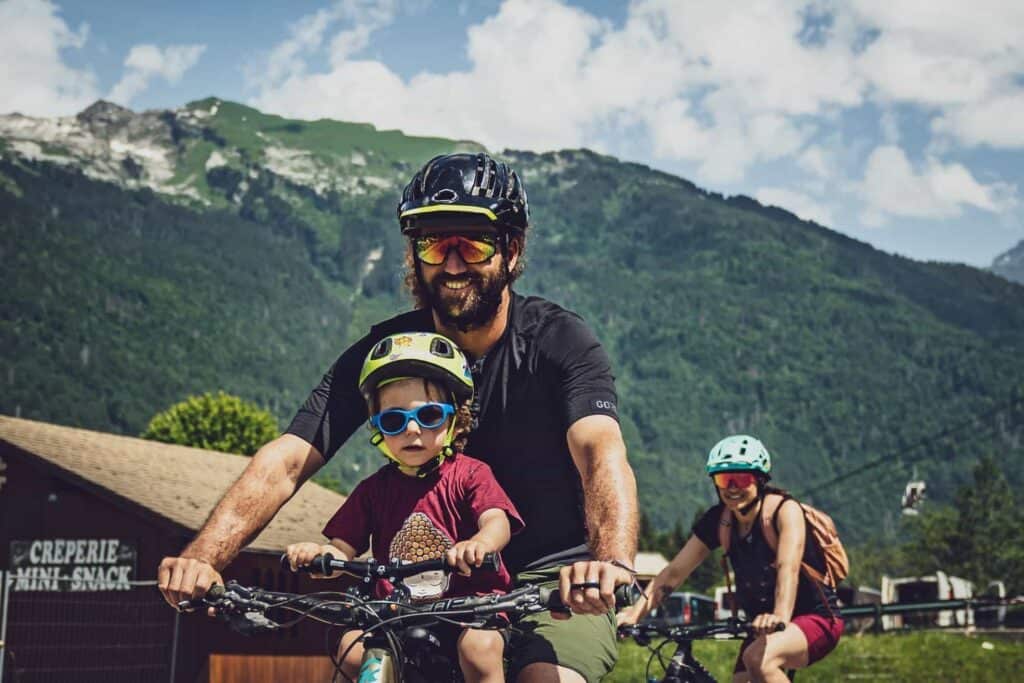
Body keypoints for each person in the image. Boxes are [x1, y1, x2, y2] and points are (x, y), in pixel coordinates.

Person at [158, 152, 639, 683]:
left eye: (472, 244)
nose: (452, 264)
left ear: (511, 249)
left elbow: (601, 453)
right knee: (359, 663)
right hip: (427, 580)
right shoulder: (390, 353)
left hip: (553, 575)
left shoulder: (558, 341)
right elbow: (289, 456)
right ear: (416, 256)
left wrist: (611, 565)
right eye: (435, 245)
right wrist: (205, 557)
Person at [285, 331, 523, 682]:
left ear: (455, 416)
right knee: (351, 650)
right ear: (377, 426)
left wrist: (480, 544)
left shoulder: (471, 474)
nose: (412, 430)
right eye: (394, 421)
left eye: (429, 416)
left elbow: (496, 521)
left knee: (479, 650)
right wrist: (320, 556)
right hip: (395, 613)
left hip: (470, 609)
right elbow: (342, 549)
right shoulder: (373, 490)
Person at [618, 435, 843, 683]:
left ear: (759, 480)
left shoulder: (784, 511)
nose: (732, 487)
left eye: (742, 478)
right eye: (724, 479)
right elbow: (673, 573)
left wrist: (779, 616)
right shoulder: (720, 521)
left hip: (815, 617)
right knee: (742, 675)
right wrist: (634, 614)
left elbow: (786, 568)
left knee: (759, 659)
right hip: (761, 627)